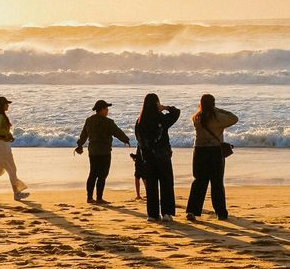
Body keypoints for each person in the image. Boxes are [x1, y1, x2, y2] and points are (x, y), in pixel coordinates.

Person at [186, 93, 238, 220]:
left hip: (199, 151)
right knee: (217, 183)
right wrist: (217, 109)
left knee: (199, 182)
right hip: (214, 151)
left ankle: (192, 211)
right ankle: (220, 213)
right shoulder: (217, 118)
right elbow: (234, 118)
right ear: (213, 104)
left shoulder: (196, 118)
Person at [74, 99, 133, 204]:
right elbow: (117, 132)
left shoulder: (89, 120)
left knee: (92, 174)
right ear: (101, 109)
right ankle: (99, 198)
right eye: (106, 109)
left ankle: (89, 198)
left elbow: (84, 135)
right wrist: (126, 140)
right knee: (102, 175)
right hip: (104, 152)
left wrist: (80, 145)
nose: (107, 111)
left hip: (93, 152)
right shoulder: (108, 122)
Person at [134, 92, 181, 221]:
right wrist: (165, 108)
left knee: (151, 186)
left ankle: (152, 214)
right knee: (166, 183)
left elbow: (140, 141)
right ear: (156, 103)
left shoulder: (139, 121)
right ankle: (166, 213)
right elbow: (177, 113)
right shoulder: (160, 118)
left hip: (147, 157)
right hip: (162, 155)